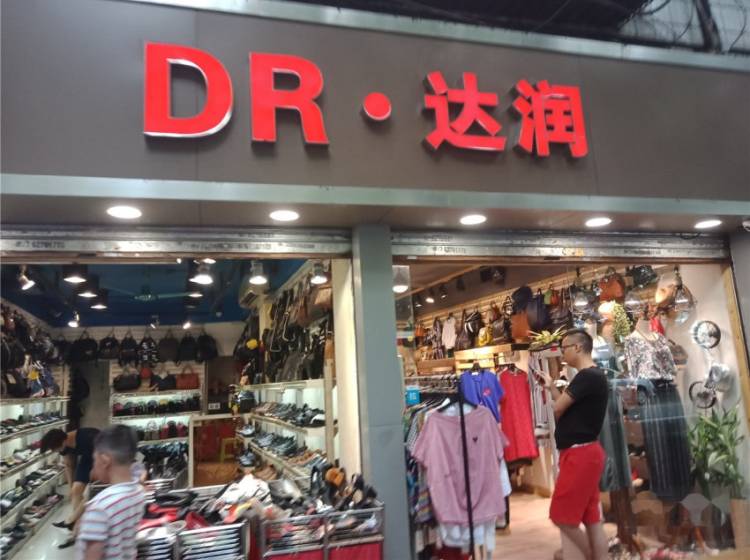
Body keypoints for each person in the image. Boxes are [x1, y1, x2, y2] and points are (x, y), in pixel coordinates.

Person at [539, 329, 609, 560]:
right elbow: (563, 405)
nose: (562, 353)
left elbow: (558, 407)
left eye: (564, 348)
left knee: (560, 516)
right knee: (591, 519)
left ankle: (589, 556)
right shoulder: (591, 376)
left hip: (581, 454)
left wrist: (554, 393)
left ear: (577, 347)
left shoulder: (587, 377)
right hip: (585, 452)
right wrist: (551, 386)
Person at [75, 425, 145, 560]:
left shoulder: (100, 507)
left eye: (94, 460)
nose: (93, 466)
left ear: (105, 460)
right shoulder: (138, 492)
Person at [41, 426, 100, 548]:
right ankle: (77, 525)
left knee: (91, 492)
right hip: (87, 458)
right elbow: (68, 465)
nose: (55, 451)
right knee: (75, 491)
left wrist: (94, 477)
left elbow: (101, 459)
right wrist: (70, 487)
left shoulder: (88, 437)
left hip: (102, 458)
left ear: (62, 442)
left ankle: (73, 522)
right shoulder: (64, 445)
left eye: (54, 449)